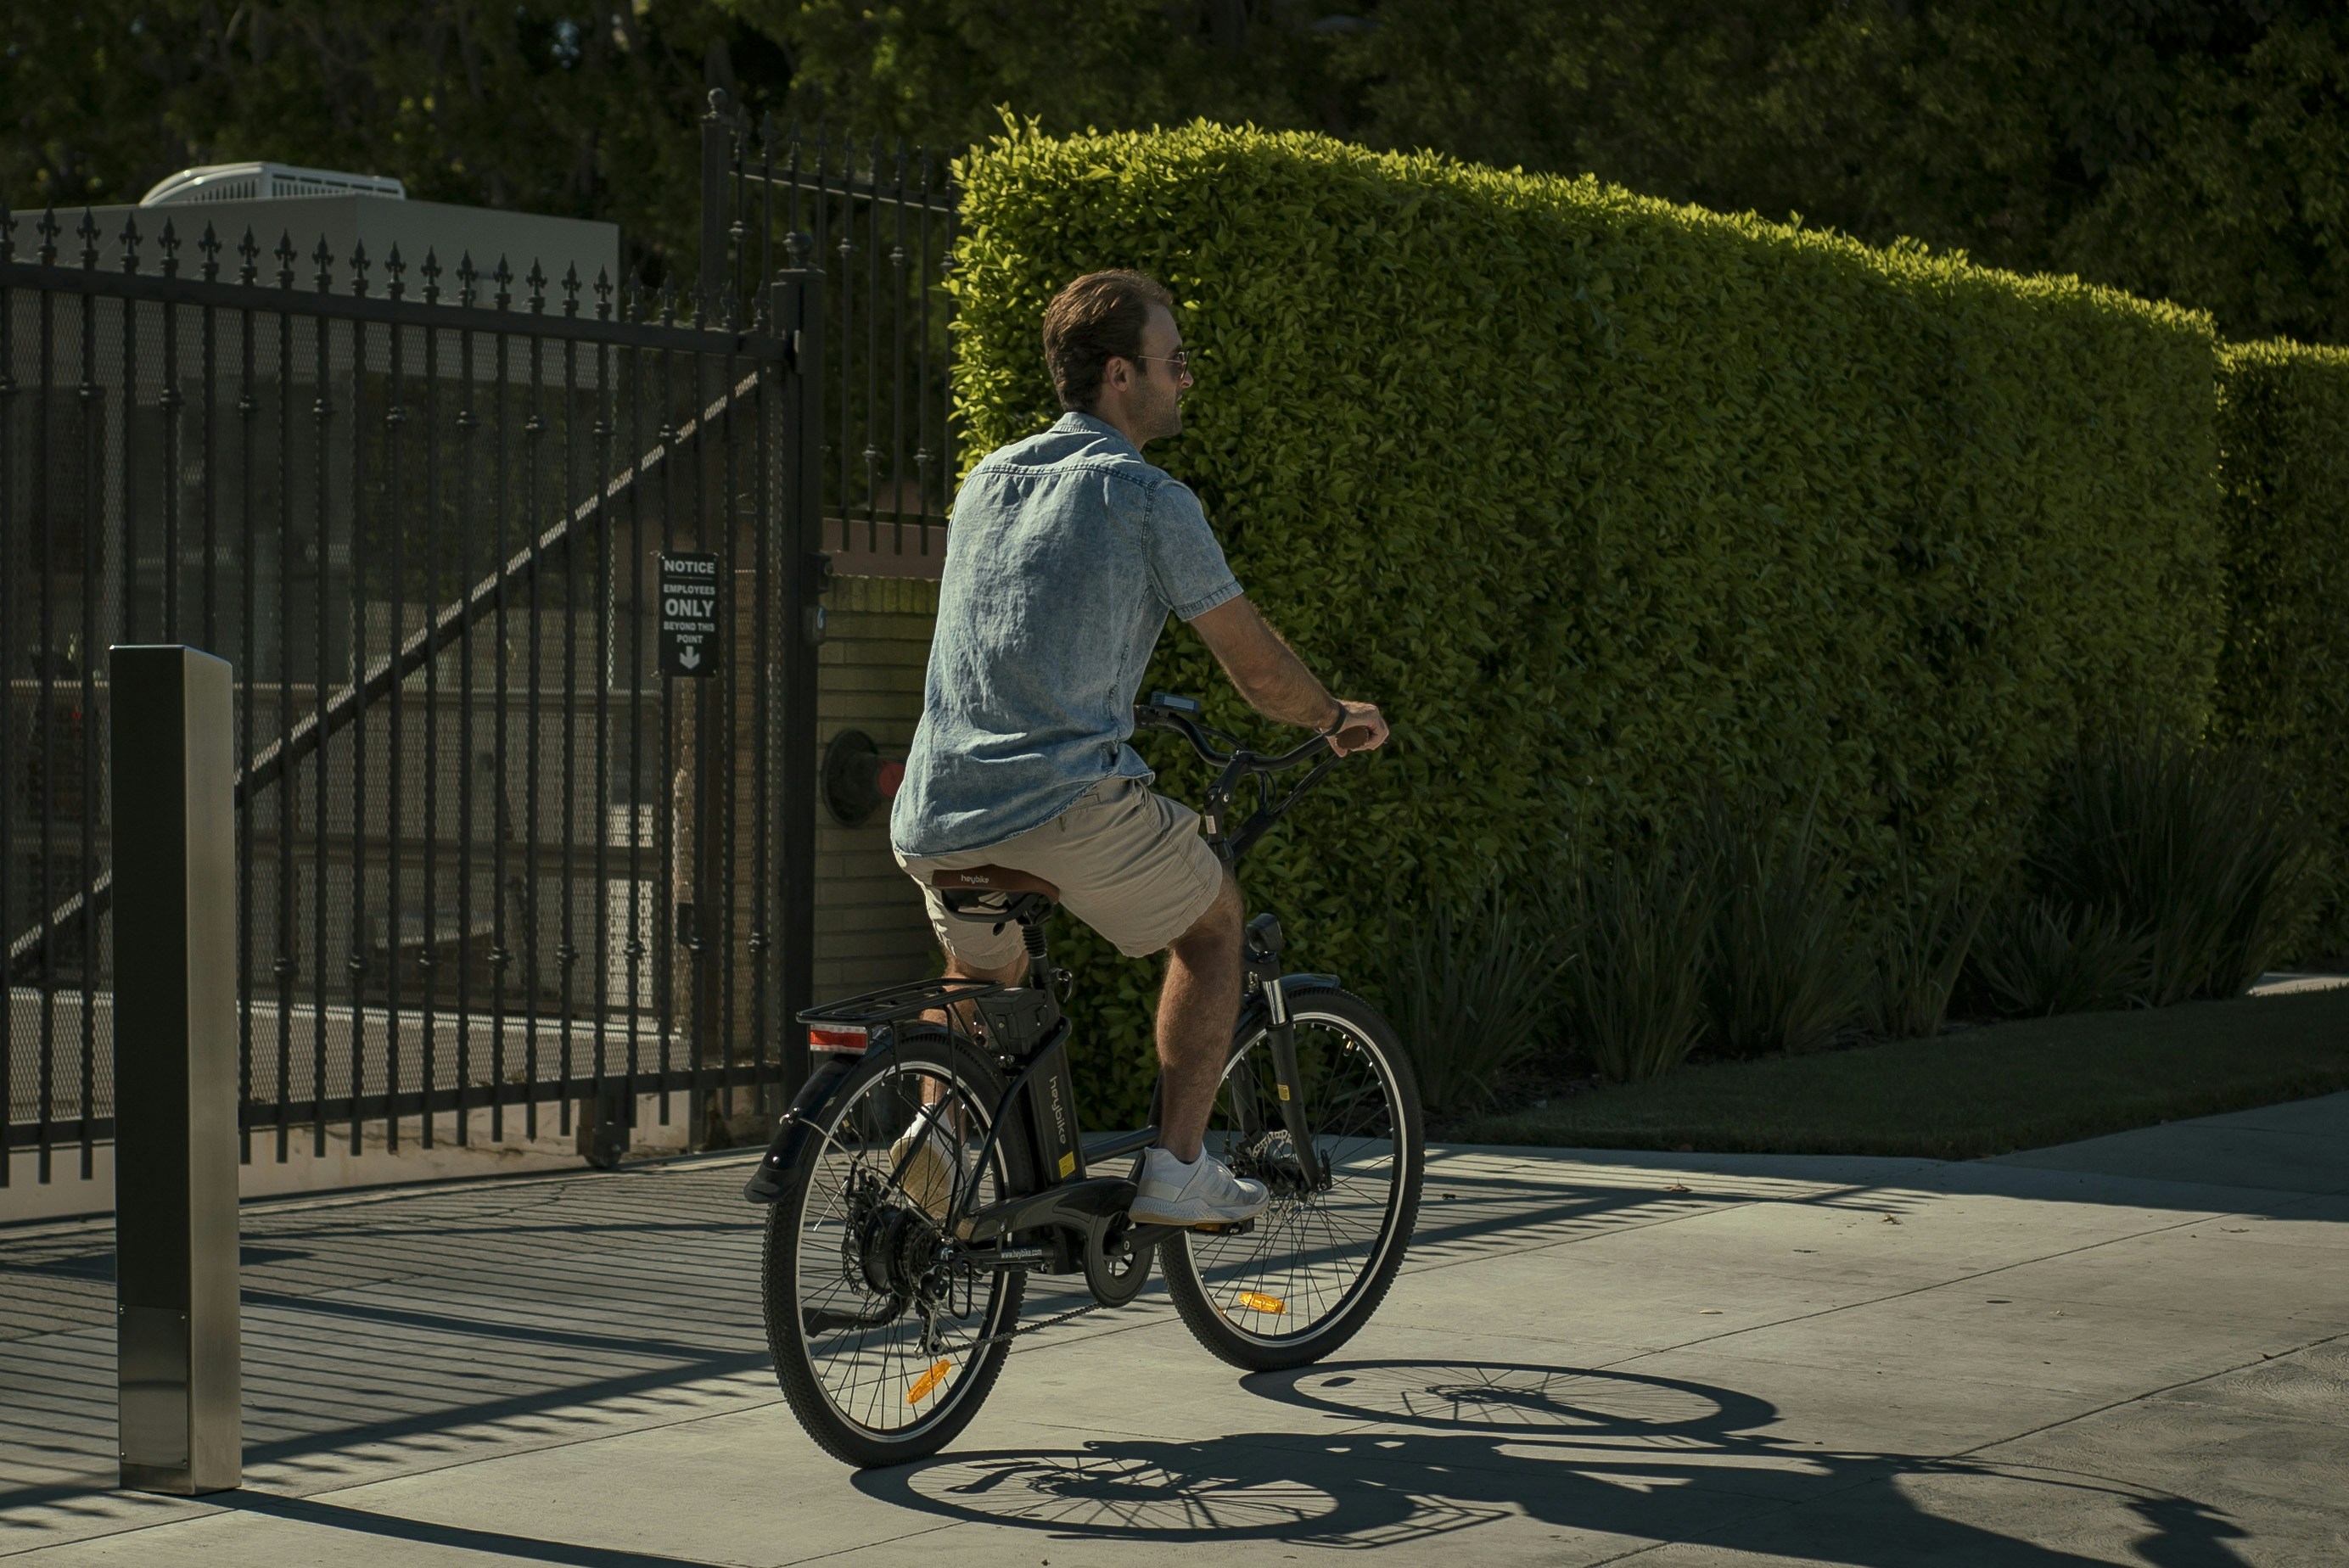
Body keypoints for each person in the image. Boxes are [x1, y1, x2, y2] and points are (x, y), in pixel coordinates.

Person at [888, 269, 1388, 1227]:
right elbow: (1258, 673)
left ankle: (935, 1137)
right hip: (1062, 805)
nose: (1186, 380)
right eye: (1175, 362)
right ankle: (1177, 1168)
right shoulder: (1149, 498)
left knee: (982, 968)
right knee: (1214, 924)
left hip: (936, 810)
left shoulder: (985, 479)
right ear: (1120, 374)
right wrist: (1333, 717)